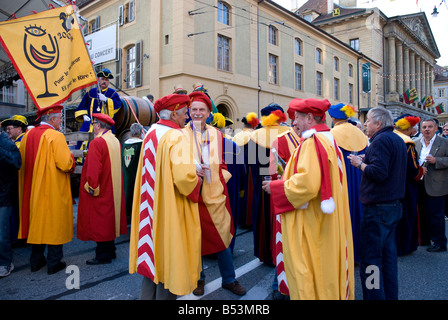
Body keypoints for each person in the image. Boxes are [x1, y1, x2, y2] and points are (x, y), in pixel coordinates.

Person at [262, 98, 354, 300]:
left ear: (310, 118)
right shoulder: (326, 139)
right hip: (323, 219)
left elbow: (307, 184)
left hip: (313, 222)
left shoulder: (313, 142)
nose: (293, 122)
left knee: (310, 270)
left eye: (297, 118)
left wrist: (276, 187)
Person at [129, 93, 202, 300]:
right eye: (184, 112)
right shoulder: (176, 136)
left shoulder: (151, 132)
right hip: (169, 208)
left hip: (150, 209)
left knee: (152, 259)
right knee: (169, 260)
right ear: (173, 113)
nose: (187, 116)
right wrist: (198, 180)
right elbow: (184, 179)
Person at [182, 91, 246, 296]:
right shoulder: (180, 135)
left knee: (222, 240)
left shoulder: (217, 134)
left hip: (215, 195)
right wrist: (191, 171)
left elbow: (224, 165)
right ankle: (198, 279)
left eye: (202, 110)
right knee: (194, 241)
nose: (197, 113)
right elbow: (174, 165)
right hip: (190, 196)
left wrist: (220, 178)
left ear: (209, 112)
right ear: (188, 111)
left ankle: (229, 279)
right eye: (194, 110)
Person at [348, 107, 407, 300]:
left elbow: (379, 173)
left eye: (368, 121)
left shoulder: (380, 140)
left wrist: (360, 163)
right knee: (389, 260)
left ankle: (373, 297)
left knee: (370, 261)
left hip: (377, 209)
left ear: (378, 123)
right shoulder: (397, 139)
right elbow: (388, 166)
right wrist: (368, 158)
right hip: (393, 207)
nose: (365, 124)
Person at [18, 105, 75, 275]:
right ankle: (54, 262)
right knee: (54, 223)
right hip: (51, 188)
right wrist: (71, 158)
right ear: (52, 119)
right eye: (59, 119)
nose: (61, 121)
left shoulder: (28, 135)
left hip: (32, 189)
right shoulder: (55, 136)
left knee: (38, 223)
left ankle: (36, 261)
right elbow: (65, 164)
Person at [77, 113, 127, 265]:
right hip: (113, 187)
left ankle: (103, 255)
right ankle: (110, 250)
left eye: (94, 124)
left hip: (102, 187)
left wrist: (91, 187)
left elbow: (93, 169)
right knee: (109, 220)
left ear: (98, 125)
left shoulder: (97, 142)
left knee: (100, 222)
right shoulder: (114, 140)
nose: (93, 127)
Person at [248, 103, 289, 266]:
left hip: (261, 182)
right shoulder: (289, 133)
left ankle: (265, 252)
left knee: (264, 215)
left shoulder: (255, 136)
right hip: (283, 181)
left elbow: (251, 163)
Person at [329, 103, 369, 262]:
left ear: (332, 117)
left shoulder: (331, 134)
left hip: (340, 177)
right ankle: (360, 251)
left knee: (343, 213)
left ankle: (344, 252)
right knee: (359, 212)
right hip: (360, 176)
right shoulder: (361, 134)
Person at [268, 108, 301, 300]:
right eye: (296, 118)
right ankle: (278, 287)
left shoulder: (310, 140)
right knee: (284, 242)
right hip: (286, 198)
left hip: (302, 201)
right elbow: (273, 171)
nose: (297, 123)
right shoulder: (280, 140)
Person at [393, 114, 425, 256]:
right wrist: (421, 171)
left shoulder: (391, 137)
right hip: (406, 184)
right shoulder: (408, 143)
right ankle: (405, 245)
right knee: (407, 214)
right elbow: (412, 168)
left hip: (392, 183)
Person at [415, 118, 448, 252]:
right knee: (422, 213)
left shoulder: (444, 142)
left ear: (436, 128)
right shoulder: (416, 143)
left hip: (437, 185)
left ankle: (440, 242)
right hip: (419, 183)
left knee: (436, 215)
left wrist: (437, 161)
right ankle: (424, 239)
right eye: (424, 127)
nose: (427, 129)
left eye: (429, 127)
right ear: (420, 129)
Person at [232, 112, 259, 228]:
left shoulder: (236, 135)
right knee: (249, 194)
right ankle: (248, 220)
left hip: (235, 168)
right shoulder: (254, 135)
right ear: (253, 125)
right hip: (249, 168)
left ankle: (238, 218)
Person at [0, 130, 21, 277]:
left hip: (3, 196)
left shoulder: (7, 144)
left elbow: (17, 163)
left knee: (2, 233)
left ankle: (5, 263)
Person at [75, 68, 122, 134]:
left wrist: (107, 100)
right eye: (102, 79)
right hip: (90, 125)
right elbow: (82, 105)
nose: (104, 81)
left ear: (109, 82)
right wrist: (84, 115)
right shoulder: (91, 92)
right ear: (99, 80)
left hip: (105, 126)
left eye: (106, 80)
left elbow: (118, 105)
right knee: (83, 139)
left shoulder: (113, 93)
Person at [122, 122, 144, 222]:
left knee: (127, 192)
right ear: (140, 133)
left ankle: (126, 215)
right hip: (137, 174)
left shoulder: (124, 144)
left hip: (126, 173)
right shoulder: (141, 145)